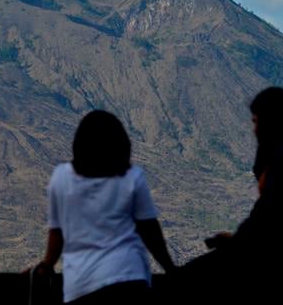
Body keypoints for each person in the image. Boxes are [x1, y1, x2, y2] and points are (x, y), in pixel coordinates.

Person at [184, 87, 283, 302]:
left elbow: (268, 217)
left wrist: (236, 244)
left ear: (271, 122)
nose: (254, 130)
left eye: (256, 121)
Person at [32, 110, 177, 304]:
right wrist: (170, 268)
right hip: (128, 282)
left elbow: (57, 231)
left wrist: (47, 264)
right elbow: (149, 230)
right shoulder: (131, 178)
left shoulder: (63, 177)